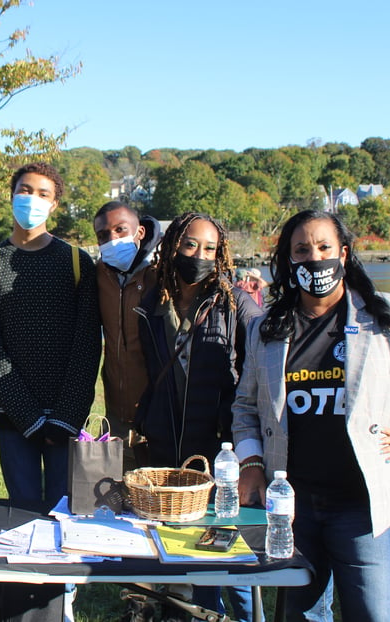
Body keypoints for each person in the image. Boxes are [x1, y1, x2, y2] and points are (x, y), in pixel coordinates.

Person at [232, 209, 390, 622]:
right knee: (301, 615)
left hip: (362, 507)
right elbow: (246, 406)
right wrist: (251, 463)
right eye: (302, 250)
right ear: (289, 262)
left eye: (324, 247)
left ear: (344, 253)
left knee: (372, 614)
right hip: (292, 505)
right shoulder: (267, 328)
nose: (314, 258)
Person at [134, 211, 262, 621]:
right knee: (176, 547)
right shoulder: (152, 304)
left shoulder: (234, 304)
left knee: (226, 551)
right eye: (191, 244)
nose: (199, 255)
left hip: (219, 446)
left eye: (210, 248)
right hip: (167, 443)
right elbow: (152, 373)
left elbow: (262, 362)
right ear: (173, 246)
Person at [0, 162, 101, 505]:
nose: (32, 199)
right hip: (13, 418)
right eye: (25, 190)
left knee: (67, 511)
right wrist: (28, 416)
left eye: (43, 194)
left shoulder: (76, 262)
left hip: (65, 417)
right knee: (22, 510)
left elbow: (86, 346)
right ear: (11, 196)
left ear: (54, 204)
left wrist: (66, 416)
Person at [93, 201, 162, 470]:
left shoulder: (161, 273)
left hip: (158, 410)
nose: (112, 239)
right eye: (102, 235)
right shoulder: (100, 274)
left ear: (140, 232)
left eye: (120, 230)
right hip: (116, 412)